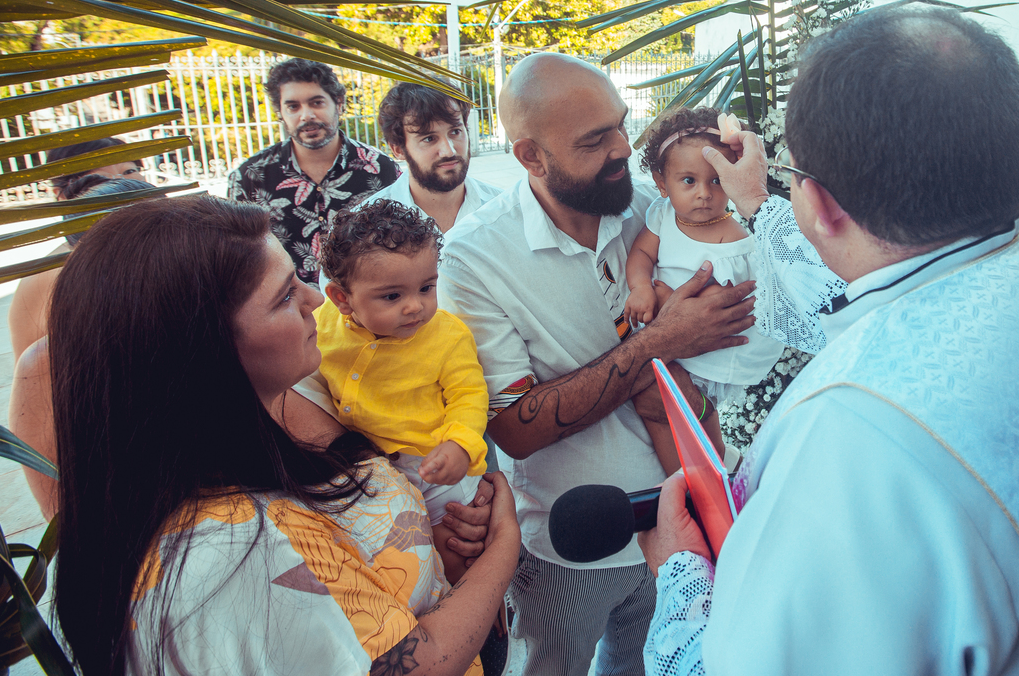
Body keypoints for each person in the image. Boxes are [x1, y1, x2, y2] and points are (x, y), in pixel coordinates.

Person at [638, 5, 1019, 675]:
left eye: (791, 178)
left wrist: (682, 576)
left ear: (820, 205)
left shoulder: (857, 438)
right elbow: (843, 302)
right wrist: (759, 203)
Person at [43, 194, 518, 676]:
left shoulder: (256, 424)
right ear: (205, 352)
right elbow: (417, 664)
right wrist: (501, 547)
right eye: (286, 295)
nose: (316, 299)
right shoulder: (240, 555)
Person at [438, 52, 757, 676]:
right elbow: (515, 427)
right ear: (530, 155)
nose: (623, 148)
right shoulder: (474, 259)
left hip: (679, 538)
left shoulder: (654, 207)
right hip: (570, 548)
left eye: (619, 124)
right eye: (594, 140)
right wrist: (658, 343)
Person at [316, 198, 489, 585]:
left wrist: (460, 446)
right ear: (342, 299)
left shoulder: (447, 335)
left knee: (455, 548)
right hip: (369, 467)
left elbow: (469, 396)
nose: (416, 307)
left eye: (427, 287)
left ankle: (473, 615)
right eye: (392, 296)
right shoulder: (321, 324)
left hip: (432, 464)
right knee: (397, 561)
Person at [623, 107, 797, 472]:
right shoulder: (661, 215)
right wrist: (640, 287)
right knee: (656, 405)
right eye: (688, 181)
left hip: (706, 346)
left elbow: (724, 304)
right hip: (665, 331)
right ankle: (683, 478)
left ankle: (709, 469)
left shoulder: (733, 240)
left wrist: (669, 300)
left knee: (681, 402)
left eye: (716, 181)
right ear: (661, 182)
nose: (703, 193)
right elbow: (641, 252)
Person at [227, 58, 399, 283]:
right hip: (287, 311)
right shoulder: (250, 177)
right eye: (293, 106)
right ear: (280, 112)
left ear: (339, 104)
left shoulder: (380, 170)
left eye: (316, 103)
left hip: (363, 311)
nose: (306, 115)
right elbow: (237, 259)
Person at [8, 138, 150, 360]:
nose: (118, 183)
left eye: (129, 170)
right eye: (97, 176)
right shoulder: (47, 275)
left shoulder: (182, 242)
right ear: (62, 194)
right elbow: (33, 372)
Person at [372, 80, 503, 231]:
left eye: (455, 132)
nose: (449, 151)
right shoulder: (370, 227)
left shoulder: (503, 209)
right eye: (429, 138)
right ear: (398, 150)